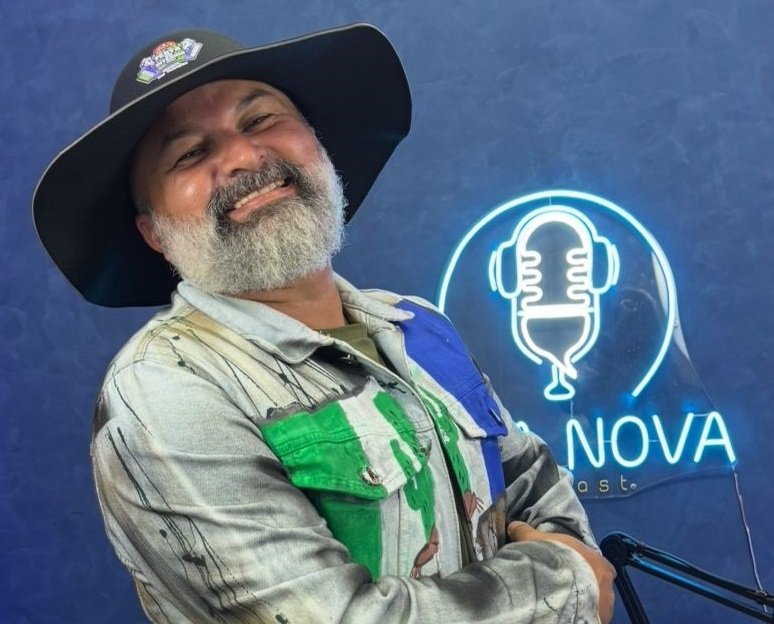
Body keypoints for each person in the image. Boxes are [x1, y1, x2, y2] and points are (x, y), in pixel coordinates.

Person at [33, 24, 615, 623]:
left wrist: (567, 560)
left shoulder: (416, 325)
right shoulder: (165, 391)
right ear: (154, 232)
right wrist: (566, 586)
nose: (243, 157)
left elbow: (531, 482)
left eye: (260, 119)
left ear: (318, 144)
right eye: (190, 154)